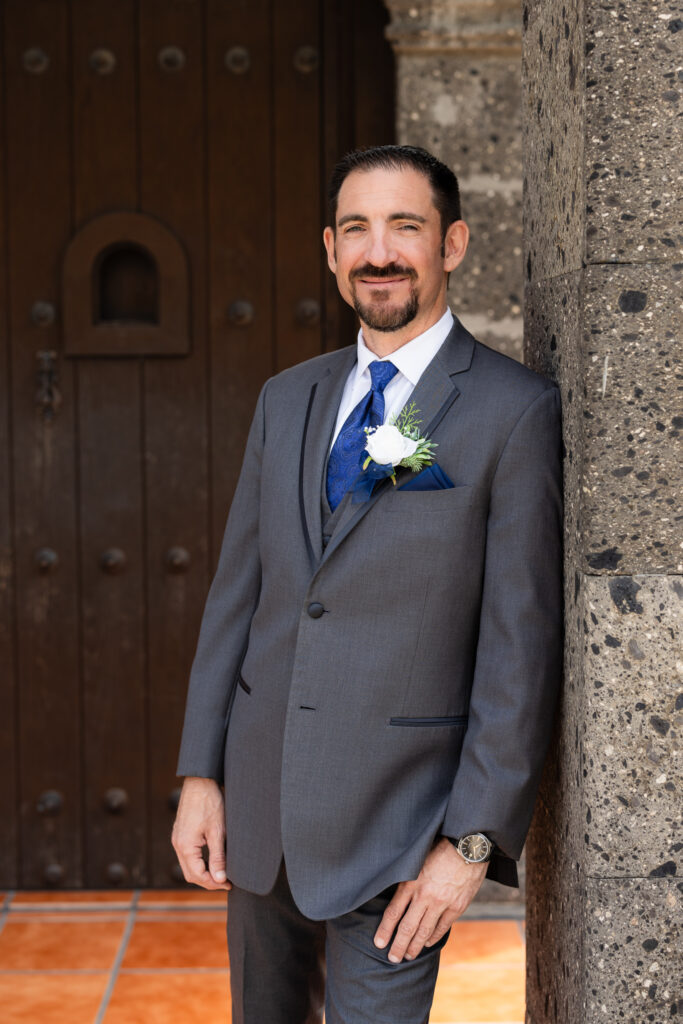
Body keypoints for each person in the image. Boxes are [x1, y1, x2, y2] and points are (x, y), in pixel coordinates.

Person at [172, 145, 562, 1024]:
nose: (377, 251)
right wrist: (202, 772)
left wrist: (472, 843)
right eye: (356, 229)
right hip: (261, 818)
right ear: (330, 248)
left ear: (452, 244)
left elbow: (520, 648)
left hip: (400, 827)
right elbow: (240, 597)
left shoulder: (512, 411)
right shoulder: (286, 399)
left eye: (404, 227)